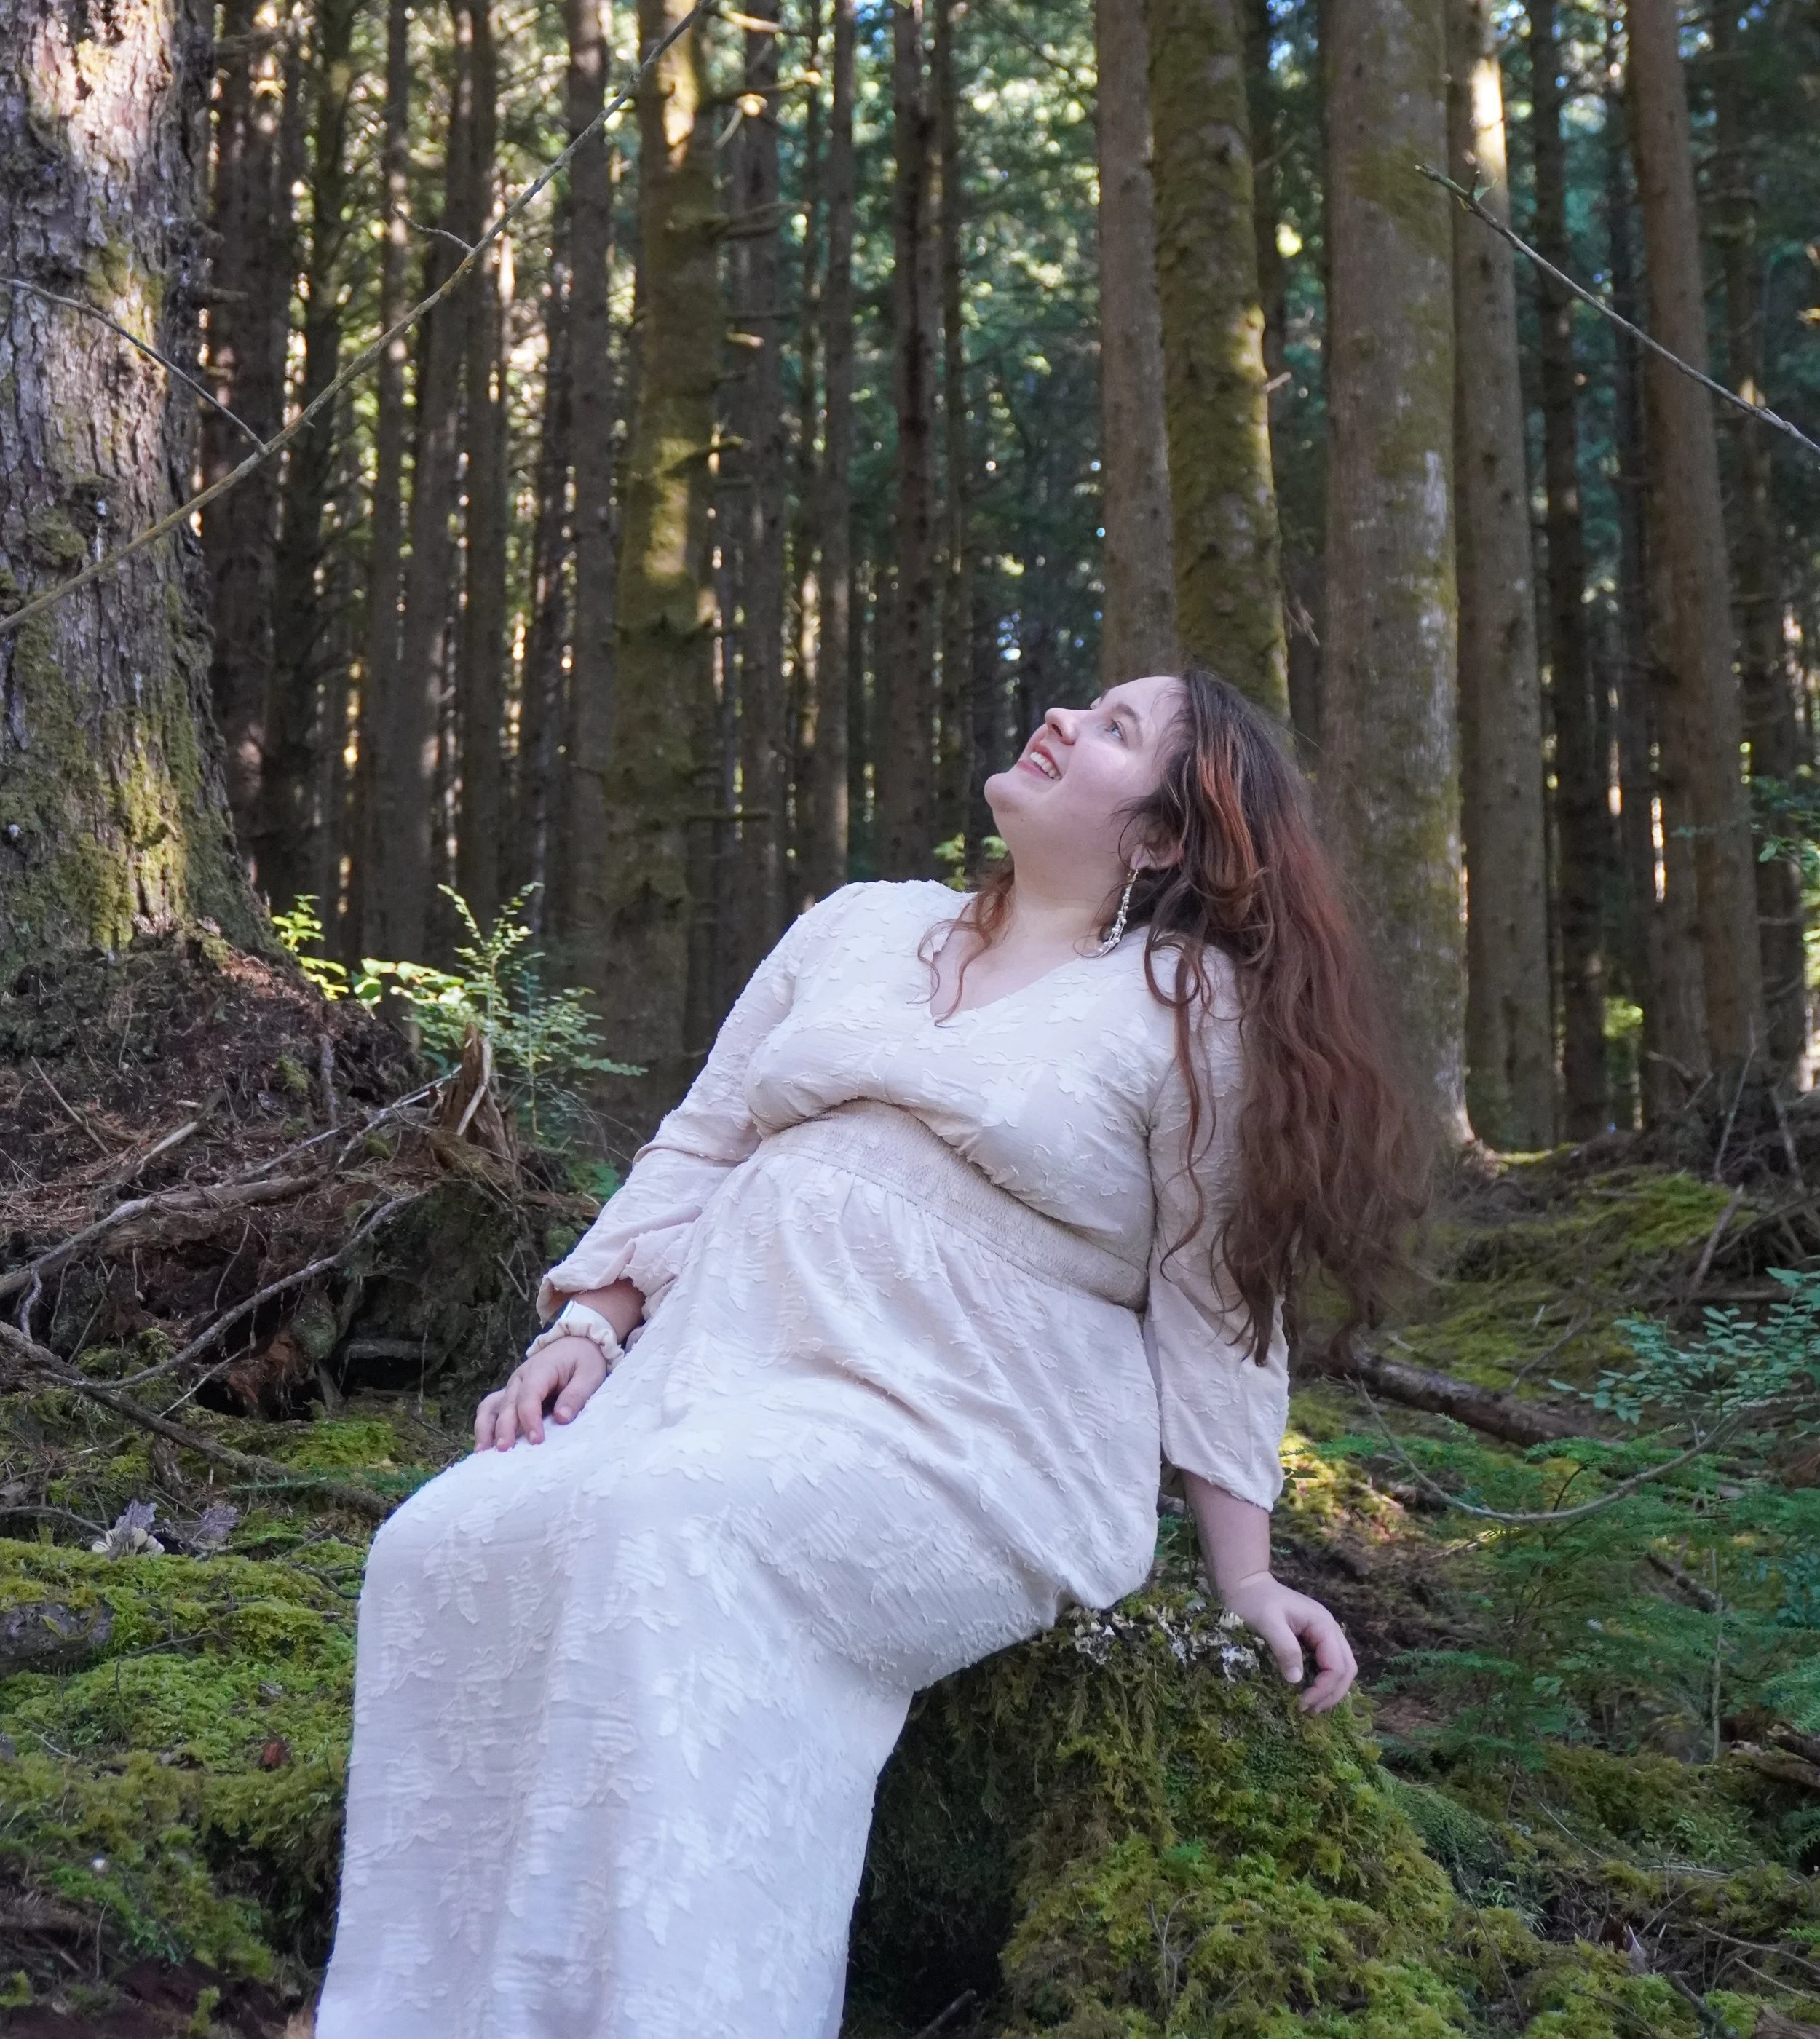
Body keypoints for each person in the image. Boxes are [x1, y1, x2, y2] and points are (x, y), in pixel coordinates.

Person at [316, 665, 1425, 2039]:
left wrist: (1245, 1570)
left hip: (969, 1434)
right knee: (447, 1536)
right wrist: (592, 1319)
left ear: (1157, 836)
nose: (1068, 717)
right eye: (1086, 701)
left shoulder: (1185, 1002)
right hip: (715, 1375)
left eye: (1120, 729)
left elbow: (1214, 1292)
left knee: (671, 1537)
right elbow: (705, 1136)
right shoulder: (858, 926)